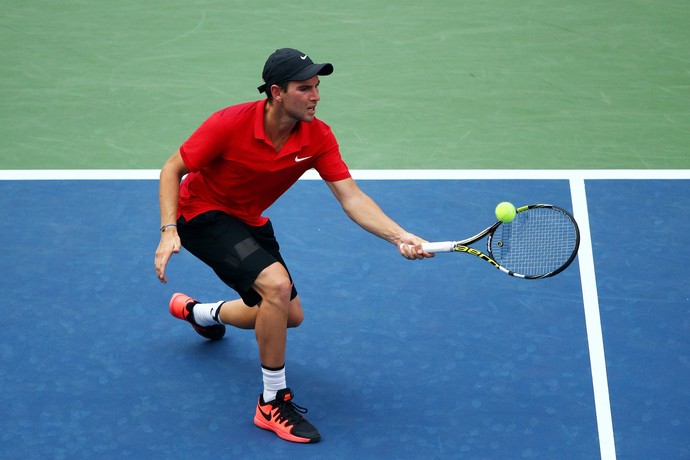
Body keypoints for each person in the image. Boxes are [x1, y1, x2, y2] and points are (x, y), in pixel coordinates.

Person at [154, 48, 432, 444]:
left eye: (317, 86)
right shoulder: (228, 123)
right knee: (276, 287)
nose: (316, 95)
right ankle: (271, 401)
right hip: (201, 214)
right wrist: (169, 229)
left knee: (288, 314)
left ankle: (202, 313)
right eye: (305, 88)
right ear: (276, 93)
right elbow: (173, 168)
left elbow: (351, 196)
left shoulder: (317, 136)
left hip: (248, 221)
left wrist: (400, 235)